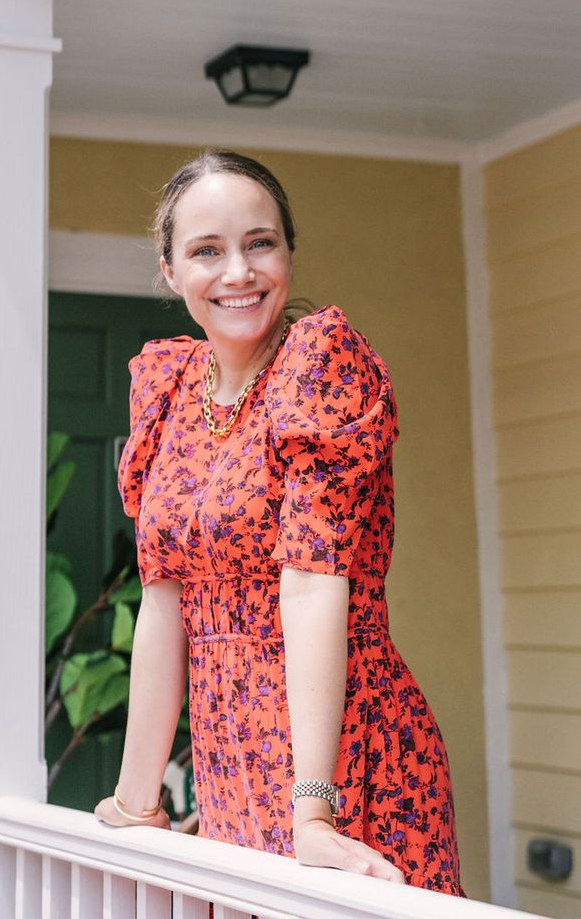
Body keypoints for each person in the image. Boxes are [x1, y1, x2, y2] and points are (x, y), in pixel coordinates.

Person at [94, 150, 465, 896]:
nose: (239, 272)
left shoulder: (319, 367)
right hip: (229, 765)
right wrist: (138, 801)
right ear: (171, 270)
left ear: (288, 252)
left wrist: (315, 814)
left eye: (259, 243)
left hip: (339, 761)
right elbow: (164, 604)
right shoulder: (168, 390)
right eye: (207, 250)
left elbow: (311, 584)